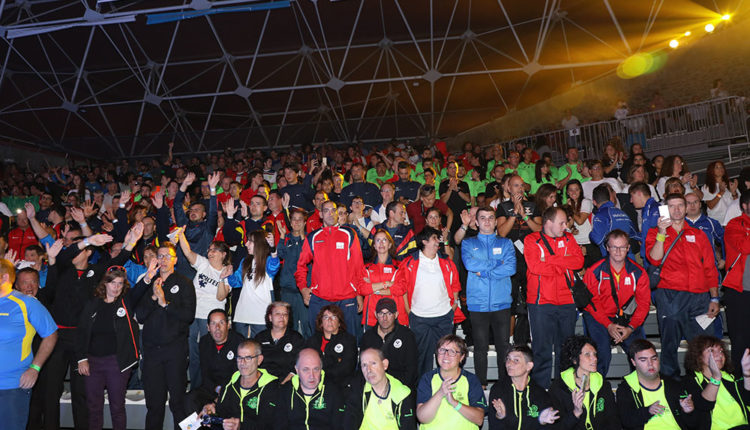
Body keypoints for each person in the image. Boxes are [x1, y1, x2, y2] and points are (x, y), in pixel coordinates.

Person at [645, 193, 720, 379]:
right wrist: (662, 233)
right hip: (670, 296)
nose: (677, 209)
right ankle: (672, 385)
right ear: (665, 209)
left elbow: (710, 267)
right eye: (672, 206)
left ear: (686, 208)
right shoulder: (655, 232)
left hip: (700, 298)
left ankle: (703, 382)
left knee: (704, 346)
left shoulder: (699, 234)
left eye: (680, 205)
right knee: (669, 345)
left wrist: (714, 297)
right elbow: (654, 259)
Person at [76, 266, 150, 430]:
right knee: (93, 407)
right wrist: (81, 358)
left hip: (117, 363)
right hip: (92, 362)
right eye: (113, 283)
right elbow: (81, 332)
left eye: (120, 283)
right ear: (105, 283)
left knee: (117, 407)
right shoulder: (93, 304)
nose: (116, 287)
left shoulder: (126, 303)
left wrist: (148, 276)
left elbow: (140, 289)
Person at [135, 242, 196, 430]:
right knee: (154, 405)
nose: (163, 259)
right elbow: (140, 316)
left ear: (175, 260)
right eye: (159, 256)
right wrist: (154, 297)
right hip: (152, 352)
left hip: (175, 351)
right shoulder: (148, 283)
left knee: (179, 403)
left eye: (167, 256)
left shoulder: (185, 283)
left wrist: (165, 303)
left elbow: (188, 316)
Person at [524, 207, 584, 389]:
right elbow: (535, 267)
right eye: (562, 223)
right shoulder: (532, 239)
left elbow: (578, 262)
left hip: (567, 302)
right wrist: (563, 262)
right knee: (541, 350)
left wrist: (550, 260)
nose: (566, 226)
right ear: (548, 223)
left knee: (565, 351)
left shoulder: (569, 238)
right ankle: (540, 391)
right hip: (541, 302)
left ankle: (562, 390)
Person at [391, 227, 463, 377]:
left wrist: (454, 304)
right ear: (424, 241)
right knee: (421, 357)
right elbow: (402, 287)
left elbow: (455, 284)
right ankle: (423, 388)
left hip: (443, 316)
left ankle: (448, 384)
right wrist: (408, 310)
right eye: (435, 238)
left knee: (447, 355)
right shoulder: (409, 262)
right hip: (419, 317)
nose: (438, 241)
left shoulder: (446, 261)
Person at [582, 230, 650, 377]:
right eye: (614, 247)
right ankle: (595, 386)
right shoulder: (594, 271)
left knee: (642, 353)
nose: (618, 251)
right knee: (600, 352)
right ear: (607, 248)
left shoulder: (638, 272)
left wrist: (630, 328)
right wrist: (608, 325)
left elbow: (643, 304)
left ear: (628, 248)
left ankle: (639, 387)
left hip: (626, 319)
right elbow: (592, 304)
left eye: (622, 247)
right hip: (599, 317)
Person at [461, 206, 516, 387]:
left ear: (495, 221)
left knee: (503, 347)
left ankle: (504, 385)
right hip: (478, 303)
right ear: (476, 222)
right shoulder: (468, 243)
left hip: (502, 303)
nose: (487, 221)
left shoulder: (506, 243)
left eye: (491, 217)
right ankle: (481, 385)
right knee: (480, 347)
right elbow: (470, 265)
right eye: (483, 218)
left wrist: (485, 272)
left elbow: (511, 268)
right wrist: (498, 263)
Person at [0, 259, 58, 430]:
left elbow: (51, 335)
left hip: (12, 386)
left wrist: (35, 368)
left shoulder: (27, 303)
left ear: (4, 278)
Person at [295, 200, 365, 338]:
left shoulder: (349, 234)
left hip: (347, 298)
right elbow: (300, 266)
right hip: (320, 298)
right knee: (318, 340)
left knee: (349, 340)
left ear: (337, 214)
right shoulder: (313, 237)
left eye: (333, 210)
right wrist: (303, 288)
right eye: (326, 211)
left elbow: (358, 266)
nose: (330, 214)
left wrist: (359, 293)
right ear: (321, 214)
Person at [176, 228, 233, 390]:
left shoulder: (228, 272)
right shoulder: (203, 263)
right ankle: (195, 389)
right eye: (209, 249)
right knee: (192, 353)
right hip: (193, 314)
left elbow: (221, 297)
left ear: (223, 254)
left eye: (215, 250)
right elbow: (188, 252)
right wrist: (181, 235)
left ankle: (210, 388)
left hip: (211, 318)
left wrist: (222, 279)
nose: (210, 252)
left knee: (208, 353)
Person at [616, 339, 696, 430]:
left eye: (654, 358)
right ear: (633, 362)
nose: (650, 364)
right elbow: (626, 421)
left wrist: (688, 412)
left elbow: (693, 423)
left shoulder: (673, 385)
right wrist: (648, 411)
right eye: (643, 360)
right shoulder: (626, 389)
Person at [201, 339, 280, 430]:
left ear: (259, 360)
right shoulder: (230, 382)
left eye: (248, 358)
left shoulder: (272, 388)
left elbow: (269, 425)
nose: (242, 363)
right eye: (239, 358)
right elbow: (222, 414)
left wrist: (241, 427)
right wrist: (212, 412)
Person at [416, 335, 487, 430]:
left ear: (462, 357)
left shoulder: (471, 380)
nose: (446, 355)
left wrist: (455, 403)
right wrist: (440, 393)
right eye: (442, 350)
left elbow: (479, 419)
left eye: (452, 351)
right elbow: (423, 418)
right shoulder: (427, 379)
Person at [549, 335, 620, 430]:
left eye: (595, 354)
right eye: (587, 354)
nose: (594, 358)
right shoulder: (559, 388)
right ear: (574, 359)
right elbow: (557, 427)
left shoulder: (603, 385)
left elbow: (613, 422)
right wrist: (575, 413)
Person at [186, 309, 245, 416]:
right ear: (208, 327)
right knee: (189, 399)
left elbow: (240, 375)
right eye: (213, 323)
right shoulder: (204, 342)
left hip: (233, 390)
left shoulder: (239, 342)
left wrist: (220, 396)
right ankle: (198, 424)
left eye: (221, 323)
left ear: (228, 325)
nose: (217, 327)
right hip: (212, 389)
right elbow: (205, 373)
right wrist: (215, 390)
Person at [683, 336, 750, 430]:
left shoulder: (731, 377)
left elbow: (748, 400)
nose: (719, 354)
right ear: (698, 356)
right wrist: (716, 377)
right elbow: (704, 406)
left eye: (721, 351)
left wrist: (747, 374)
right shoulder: (690, 381)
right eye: (711, 350)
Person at [223, 230, 281, 338]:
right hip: (242, 314)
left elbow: (274, 266)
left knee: (259, 346)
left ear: (259, 244)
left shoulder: (267, 261)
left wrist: (273, 249)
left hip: (260, 316)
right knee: (241, 346)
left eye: (250, 241)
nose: (246, 244)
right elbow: (236, 282)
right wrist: (230, 275)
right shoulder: (245, 261)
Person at [488, 346, 560, 429]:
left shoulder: (540, 393)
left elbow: (550, 426)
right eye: (508, 359)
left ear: (529, 366)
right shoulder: (498, 389)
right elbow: (493, 426)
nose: (509, 363)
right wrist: (500, 417)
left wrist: (541, 421)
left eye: (516, 360)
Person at [344, 348, 416, 430]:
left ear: (385, 364)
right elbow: (349, 422)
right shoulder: (358, 388)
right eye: (364, 365)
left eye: (373, 363)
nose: (368, 370)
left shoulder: (401, 394)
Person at [276, 348, 344, 429]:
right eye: (306, 370)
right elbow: (279, 426)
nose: (311, 376)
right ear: (297, 370)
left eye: (316, 369)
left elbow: (339, 426)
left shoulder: (334, 391)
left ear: (321, 368)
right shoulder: (285, 391)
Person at [359, 297, 418, 390]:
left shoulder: (406, 335)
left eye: (389, 313)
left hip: (400, 386)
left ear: (396, 314)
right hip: (374, 385)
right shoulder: (368, 337)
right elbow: (362, 367)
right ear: (375, 314)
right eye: (381, 313)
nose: (385, 318)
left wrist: (395, 388)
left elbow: (411, 368)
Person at [723, 189, 750, 374]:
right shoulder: (735, 224)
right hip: (740, 291)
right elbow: (744, 246)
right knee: (740, 340)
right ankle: (739, 382)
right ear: (744, 206)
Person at [359, 229, 408, 327]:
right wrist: (387, 284)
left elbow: (401, 288)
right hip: (372, 316)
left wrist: (373, 288)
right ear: (374, 245)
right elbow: (362, 289)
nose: (381, 243)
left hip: (395, 316)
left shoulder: (398, 267)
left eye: (384, 240)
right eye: (378, 240)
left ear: (389, 245)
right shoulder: (367, 268)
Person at [305, 305, 357, 391]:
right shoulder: (312, 342)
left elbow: (347, 368)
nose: (329, 320)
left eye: (334, 317)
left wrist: (322, 370)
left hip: (341, 387)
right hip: (316, 386)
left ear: (339, 323)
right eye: (326, 317)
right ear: (321, 323)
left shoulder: (349, 340)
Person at [277, 208, 311, 337]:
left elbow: (306, 257)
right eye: (294, 219)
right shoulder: (286, 238)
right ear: (290, 222)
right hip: (288, 289)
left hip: (304, 291)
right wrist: (281, 236)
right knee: (289, 325)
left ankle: (308, 348)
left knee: (307, 324)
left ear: (304, 222)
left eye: (300, 219)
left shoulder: (309, 239)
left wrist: (302, 238)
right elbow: (280, 254)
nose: (296, 222)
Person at [254, 302, 305, 384]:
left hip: (287, 383)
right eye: (278, 314)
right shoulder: (260, 338)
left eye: (285, 314)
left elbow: (298, 366)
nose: (282, 317)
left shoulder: (296, 338)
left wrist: (283, 385)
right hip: (263, 383)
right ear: (270, 317)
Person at [589, 184, 639, 256]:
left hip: (614, 258)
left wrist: (591, 234)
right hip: (628, 257)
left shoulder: (601, 215)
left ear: (594, 202)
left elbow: (597, 239)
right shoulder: (622, 212)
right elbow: (634, 234)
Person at [628, 182, 660, 265]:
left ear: (639, 193)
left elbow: (656, 235)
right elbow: (648, 233)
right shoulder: (647, 209)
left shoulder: (655, 209)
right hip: (649, 254)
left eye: (632, 196)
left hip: (653, 256)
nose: (631, 201)